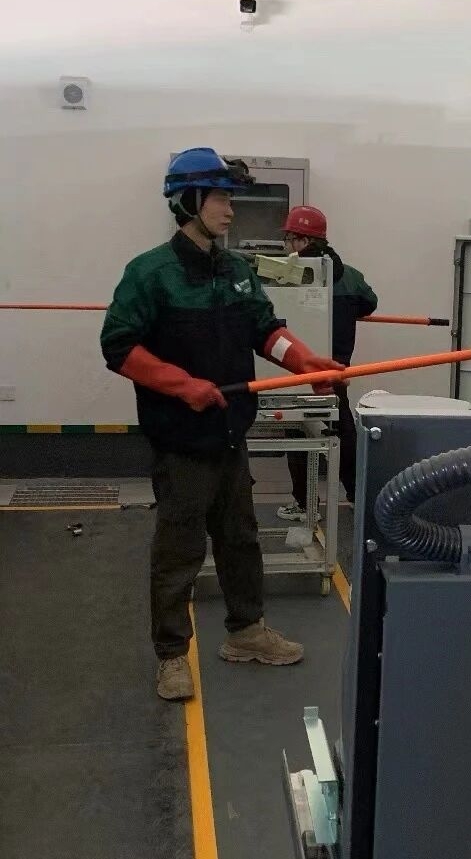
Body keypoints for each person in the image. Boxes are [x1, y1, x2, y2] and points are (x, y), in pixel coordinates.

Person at [100, 148, 344, 702]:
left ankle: (246, 631)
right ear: (188, 201)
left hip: (231, 434)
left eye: (230, 198)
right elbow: (118, 347)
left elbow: (265, 330)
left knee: (240, 539)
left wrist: (305, 362)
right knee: (179, 550)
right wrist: (181, 384)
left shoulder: (236, 271)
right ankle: (171, 655)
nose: (230, 210)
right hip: (181, 441)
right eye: (219, 198)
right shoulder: (149, 274)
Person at [275, 206, 378, 521]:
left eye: (290, 239)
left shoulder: (285, 274)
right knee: (344, 432)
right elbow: (370, 303)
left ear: (302, 241)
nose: (287, 246)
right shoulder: (351, 276)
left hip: (301, 370)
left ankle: (306, 505)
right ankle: (358, 497)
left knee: (298, 431)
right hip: (336, 371)